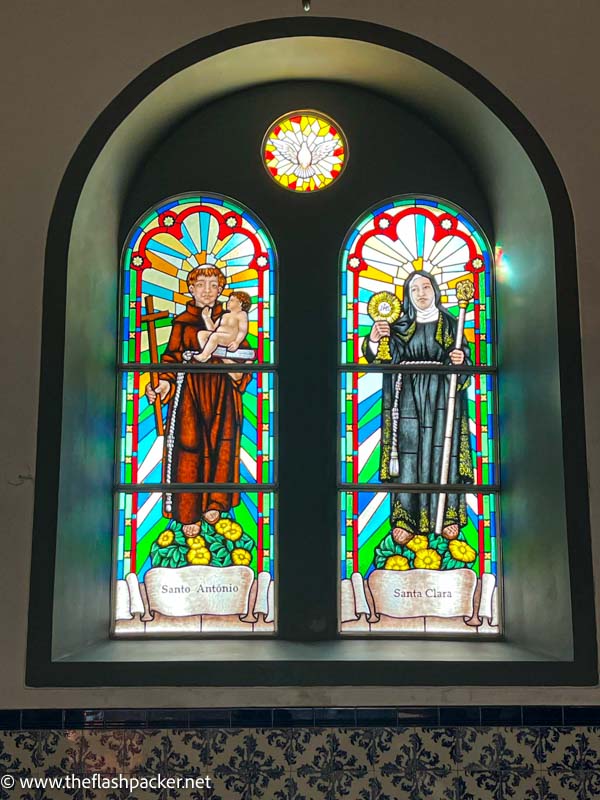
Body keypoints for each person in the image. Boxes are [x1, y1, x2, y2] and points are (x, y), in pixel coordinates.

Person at [365, 271, 474, 544]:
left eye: (426, 287)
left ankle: (447, 516)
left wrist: (460, 361)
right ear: (408, 296)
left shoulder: (452, 325)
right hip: (408, 398)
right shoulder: (400, 327)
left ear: (436, 291)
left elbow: (466, 365)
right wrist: (376, 339)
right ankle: (405, 519)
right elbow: (381, 359)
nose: (422, 293)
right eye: (415, 290)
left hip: (442, 399)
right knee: (407, 455)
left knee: (442, 452)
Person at [145, 266, 251, 538]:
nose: (207, 290)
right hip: (189, 391)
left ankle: (217, 502)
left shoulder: (229, 320)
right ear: (190, 289)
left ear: (221, 290)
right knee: (188, 447)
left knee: (222, 444)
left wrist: (236, 369)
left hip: (222, 390)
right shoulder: (182, 322)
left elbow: (246, 357)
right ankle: (188, 511)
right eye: (201, 284)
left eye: (213, 285)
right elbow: (170, 358)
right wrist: (163, 384)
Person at [194, 291, 250, 363]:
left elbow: (243, 330)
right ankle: (207, 353)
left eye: (231, 300)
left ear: (240, 303)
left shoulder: (241, 314)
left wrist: (237, 342)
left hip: (229, 338)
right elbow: (212, 329)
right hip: (219, 336)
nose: (228, 302)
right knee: (202, 334)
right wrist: (206, 318)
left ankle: (204, 355)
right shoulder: (224, 315)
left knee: (215, 336)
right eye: (228, 300)